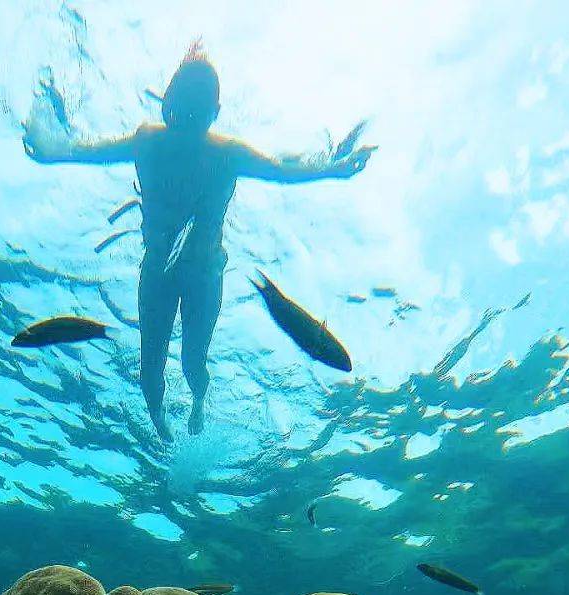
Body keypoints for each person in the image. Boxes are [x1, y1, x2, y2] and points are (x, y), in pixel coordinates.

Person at [24, 45, 376, 441]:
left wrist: (335, 169)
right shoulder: (148, 142)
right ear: (168, 102)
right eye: (181, 104)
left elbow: (283, 172)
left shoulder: (226, 154)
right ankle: (162, 429)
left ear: (214, 113)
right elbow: (85, 154)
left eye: (196, 108)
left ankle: (196, 404)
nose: (187, 116)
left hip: (206, 275)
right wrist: (49, 152)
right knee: (149, 370)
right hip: (158, 271)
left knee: (193, 364)